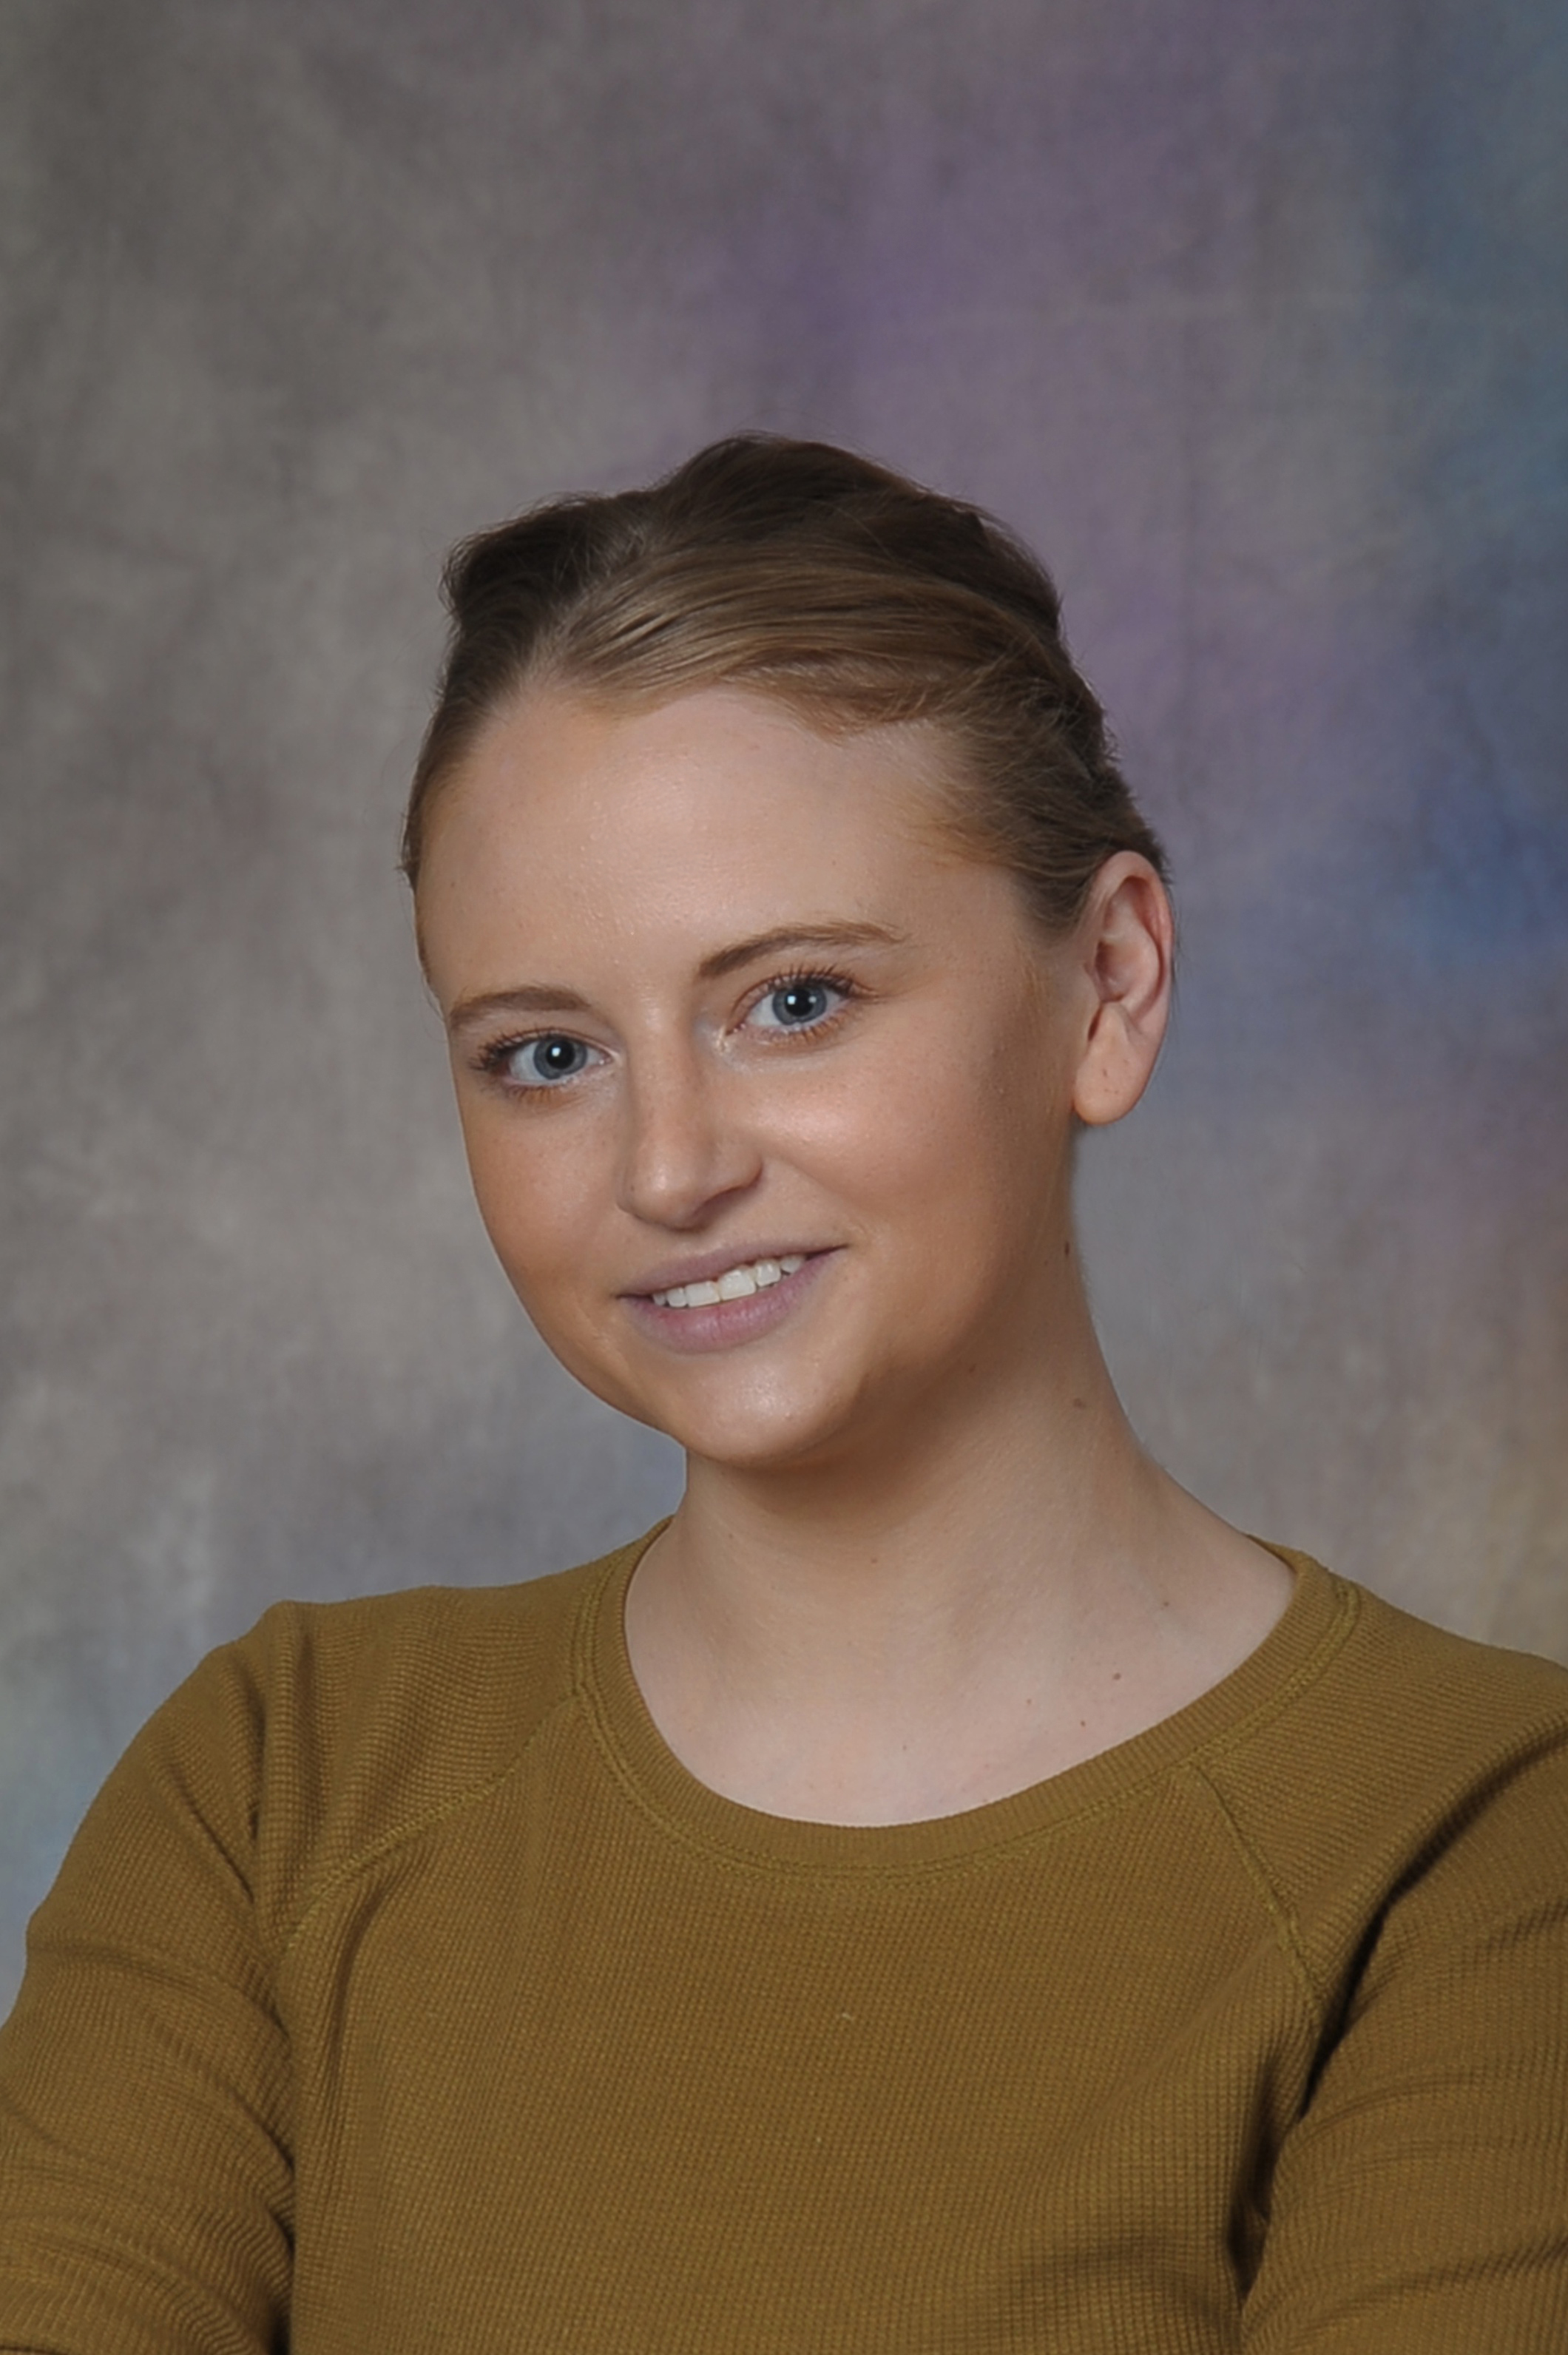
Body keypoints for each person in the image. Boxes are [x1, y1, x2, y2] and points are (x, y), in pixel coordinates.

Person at [1, 436, 1564, 2352]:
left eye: (795, 1002)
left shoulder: (1476, 1841)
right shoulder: (279, 1792)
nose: (669, 1169)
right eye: (547, 1053)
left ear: (1109, 985)